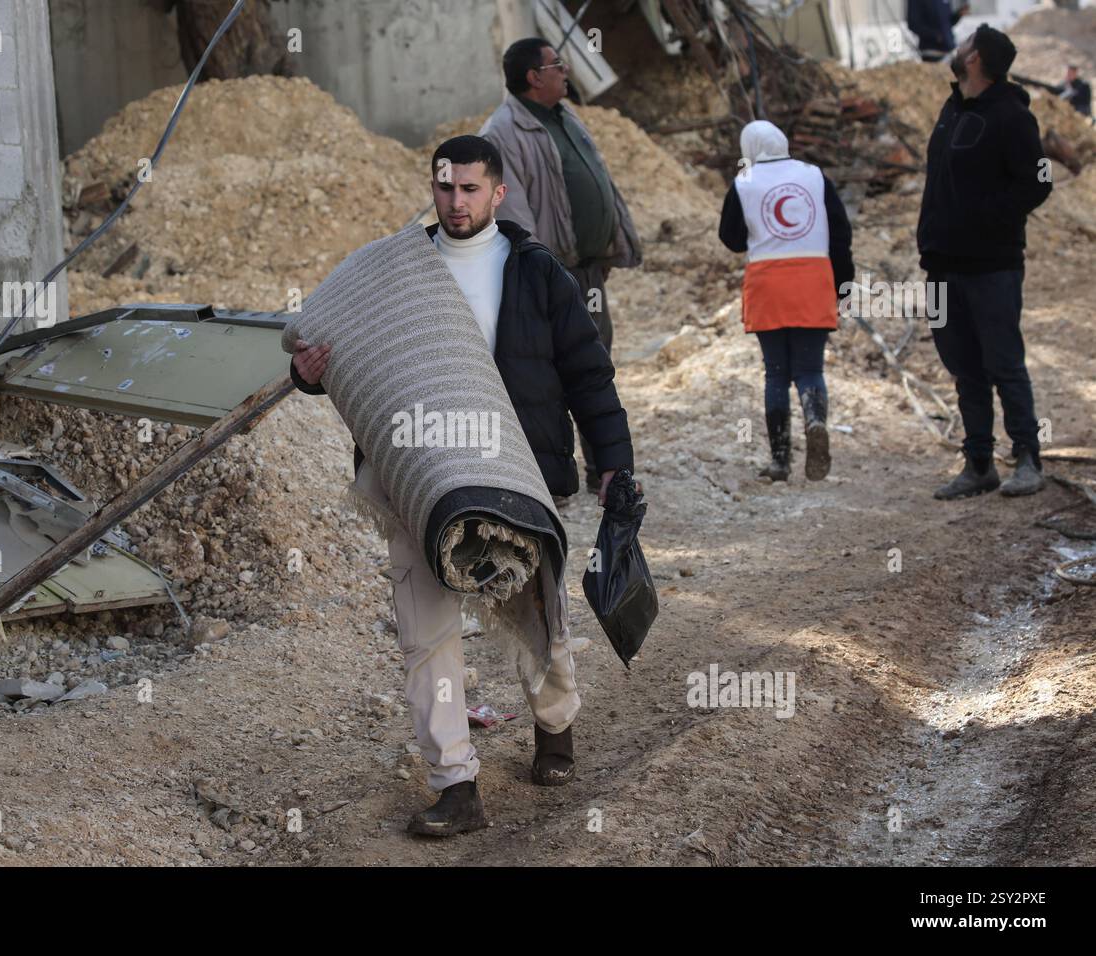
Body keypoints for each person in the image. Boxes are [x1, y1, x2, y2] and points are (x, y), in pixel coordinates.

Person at [290, 135, 634, 837]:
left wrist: (614, 460)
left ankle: (555, 726)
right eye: (445, 189)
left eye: (471, 190)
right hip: (415, 478)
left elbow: (588, 374)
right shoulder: (396, 272)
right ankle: (456, 785)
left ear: (498, 193)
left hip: (522, 472)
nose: (456, 203)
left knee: (537, 613)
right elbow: (337, 356)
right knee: (427, 633)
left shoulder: (538, 272)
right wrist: (307, 373)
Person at [479, 37, 641, 493]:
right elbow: (514, 213)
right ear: (534, 76)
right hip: (554, 276)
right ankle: (550, 477)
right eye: (558, 64)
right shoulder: (503, 132)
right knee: (551, 375)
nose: (566, 71)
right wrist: (545, 273)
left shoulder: (564, 117)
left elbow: (595, 179)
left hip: (587, 271)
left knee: (595, 366)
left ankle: (603, 469)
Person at [918, 24, 1053, 500]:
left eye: (965, 44)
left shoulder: (1012, 117)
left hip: (991, 266)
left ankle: (1029, 461)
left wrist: (985, 220)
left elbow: (1039, 180)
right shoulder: (952, 109)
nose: (957, 49)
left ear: (975, 59)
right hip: (941, 264)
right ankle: (978, 465)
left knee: (1004, 364)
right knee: (963, 368)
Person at [718, 120, 854, 483]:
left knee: (776, 373)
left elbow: (729, 237)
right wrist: (844, 286)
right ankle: (815, 420)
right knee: (811, 370)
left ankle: (780, 460)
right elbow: (840, 233)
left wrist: (760, 234)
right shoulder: (814, 176)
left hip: (768, 286)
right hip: (813, 281)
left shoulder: (744, 182)